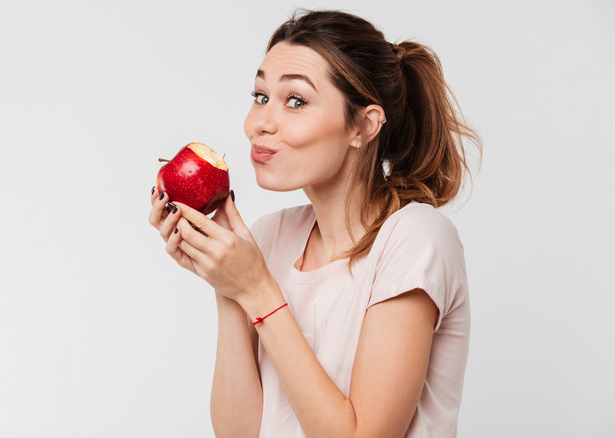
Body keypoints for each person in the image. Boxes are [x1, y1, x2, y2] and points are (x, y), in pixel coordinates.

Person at [148, 9, 480, 438]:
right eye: (261, 96)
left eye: (296, 101)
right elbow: (240, 433)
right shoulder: (270, 237)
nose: (259, 124)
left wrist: (257, 290)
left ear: (364, 125)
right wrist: (227, 284)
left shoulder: (414, 239)